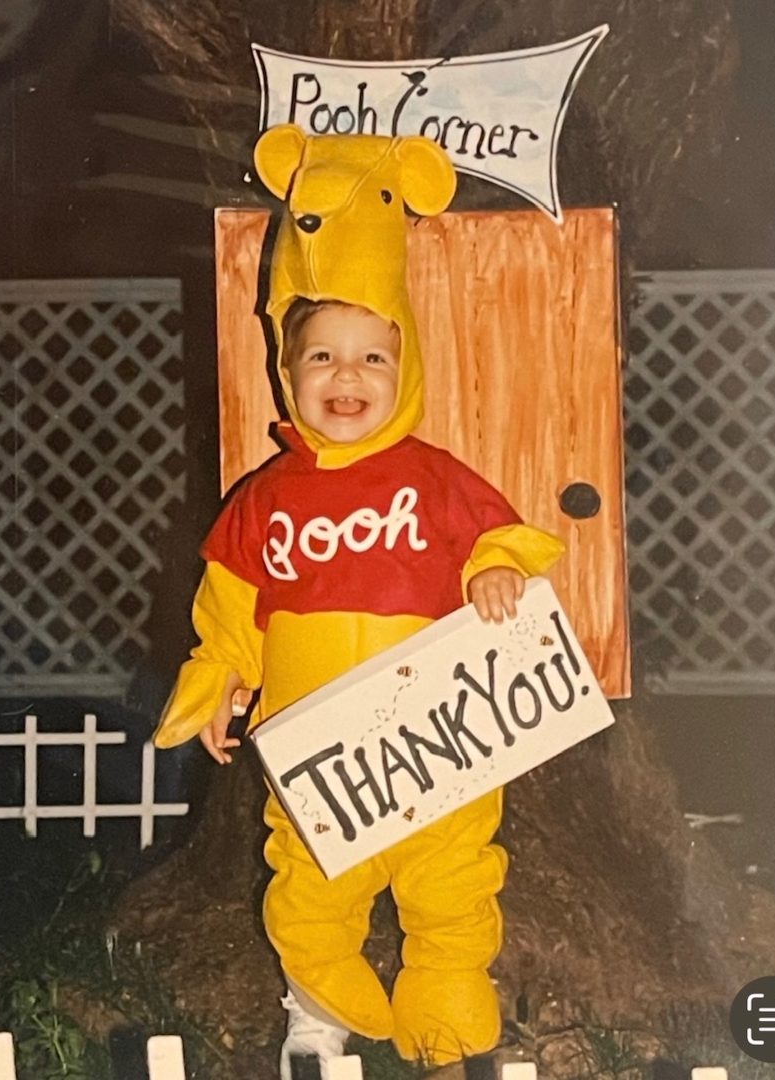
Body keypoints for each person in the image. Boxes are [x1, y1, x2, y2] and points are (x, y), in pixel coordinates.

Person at [154, 128, 564, 1078]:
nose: (347, 378)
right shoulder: (264, 497)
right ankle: (316, 1013)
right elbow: (230, 605)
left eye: (373, 358)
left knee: (452, 875)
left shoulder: (434, 476)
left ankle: (446, 1000)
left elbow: (502, 538)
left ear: (405, 367)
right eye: (323, 358)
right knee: (309, 878)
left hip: (440, 730)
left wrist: (495, 570)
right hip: (317, 739)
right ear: (287, 371)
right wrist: (217, 677)